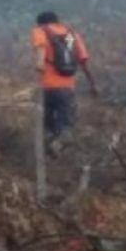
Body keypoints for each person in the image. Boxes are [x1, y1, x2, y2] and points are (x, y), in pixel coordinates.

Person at [31, 11, 97, 156]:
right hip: (67, 87)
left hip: (46, 87)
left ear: (41, 23)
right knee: (66, 125)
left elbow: (41, 51)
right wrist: (92, 84)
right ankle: (58, 145)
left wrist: (40, 64)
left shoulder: (41, 30)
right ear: (57, 21)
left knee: (47, 124)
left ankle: (49, 150)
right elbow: (84, 61)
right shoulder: (70, 34)